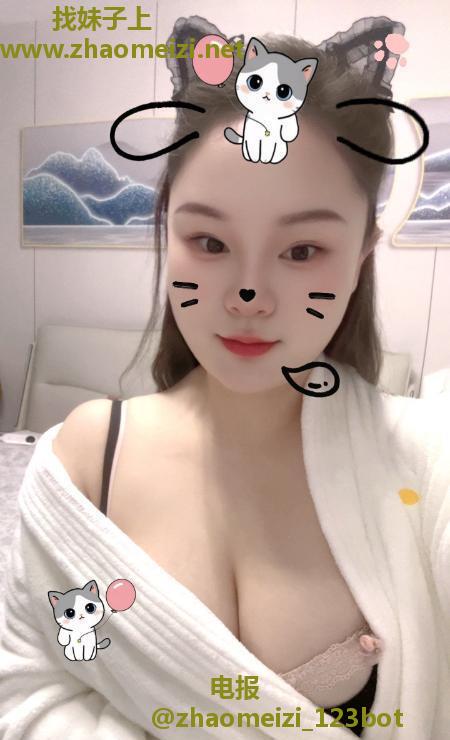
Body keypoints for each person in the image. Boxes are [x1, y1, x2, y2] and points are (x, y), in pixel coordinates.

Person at [1, 27, 449, 740]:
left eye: (302, 250)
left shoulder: (423, 462)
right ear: (167, 229)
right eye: (208, 242)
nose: (249, 295)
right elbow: (23, 689)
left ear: (363, 251)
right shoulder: (85, 458)